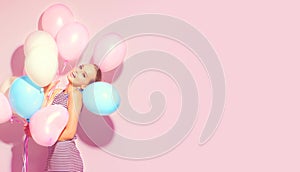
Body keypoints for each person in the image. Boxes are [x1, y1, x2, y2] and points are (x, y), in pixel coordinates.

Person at [24, 64, 102, 171]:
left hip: (66, 159)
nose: (78, 72)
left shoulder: (75, 95)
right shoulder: (57, 93)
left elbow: (70, 132)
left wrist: (44, 138)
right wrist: (46, 91)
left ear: (84, 86)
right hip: (53, 158)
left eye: (84, 75)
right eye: (80, 67)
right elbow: (42, 118)